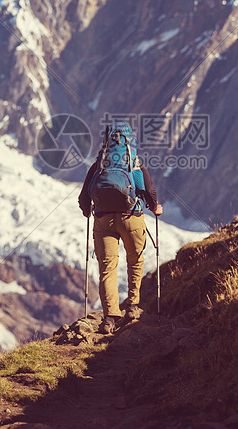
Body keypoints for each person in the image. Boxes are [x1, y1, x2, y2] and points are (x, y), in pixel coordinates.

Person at [78, 123, 162, 335]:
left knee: (107, 269)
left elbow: (84, 197)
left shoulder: (99, 165)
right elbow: (148, 190)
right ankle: (133, 307)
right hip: (131, 219)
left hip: (103, 221)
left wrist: (87, 211)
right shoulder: (134, 163)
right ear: (130, 141)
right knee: (135, 261)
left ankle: (109, 318)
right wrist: (155, 208)